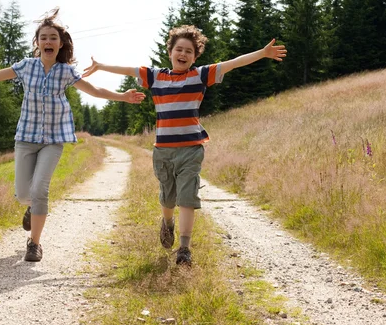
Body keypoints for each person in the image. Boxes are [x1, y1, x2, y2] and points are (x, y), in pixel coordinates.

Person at [0, 8, 145, 262]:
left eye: (53, 38)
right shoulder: (26, 67)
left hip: (54, 140)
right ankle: (30, 207)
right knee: (23, 194)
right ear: (37, 43)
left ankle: (34, 244)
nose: (48, 41)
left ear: (60, 44)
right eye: (43, 37)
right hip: (26, 138)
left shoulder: (66, 72)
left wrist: (122, 97)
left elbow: (93, 90)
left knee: (40, 189)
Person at [82, 25, 286, 265]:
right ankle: (167, 222)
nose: (183, 54)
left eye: (189, 51)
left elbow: (233, 63)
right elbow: (128, 70)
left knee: (187, 197)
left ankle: (184, 248)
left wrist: (262, 53)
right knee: (168, 198)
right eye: (179, 49)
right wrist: (101, 66)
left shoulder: (200, 75)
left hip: (191, 149)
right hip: (163, 151)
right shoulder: (155, 76)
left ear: (195, 57)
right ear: (170, 52)